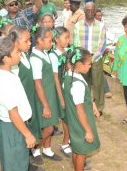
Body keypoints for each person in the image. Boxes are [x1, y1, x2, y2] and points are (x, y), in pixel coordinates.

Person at [0, 35, 36, 171]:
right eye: (16, 52)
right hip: (14, 128)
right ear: (5, 58)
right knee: (15, 164)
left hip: (16, 126)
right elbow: (13, 113)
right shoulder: (5, 81)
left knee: (19, 161)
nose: (20, 53)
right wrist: (28, 134)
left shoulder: (9, 72)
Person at [9, 26, 44, 171]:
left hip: (30, 100)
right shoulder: (13, 64)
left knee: (30, 130)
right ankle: (22, 164)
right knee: (21, 134)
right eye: (26, 40)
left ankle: (26, 161)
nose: (30, 42)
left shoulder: (24, 55)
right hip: (20, 105)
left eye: (30, 39)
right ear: (15, 42)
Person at [62, 47, 101, 171]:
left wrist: (93, 105)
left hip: (73, 119)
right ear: (79, 64)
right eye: (89, 64)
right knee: (81, 153)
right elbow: (80, 110)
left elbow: (81, 97)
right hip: (81, 123)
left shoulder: (70, 75)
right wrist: (88, 131)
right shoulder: (77, 84)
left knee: (77, 149)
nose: (90, 66)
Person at [30, 26, 62, 164]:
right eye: (49, 40)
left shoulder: (45, 53)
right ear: (39, 40)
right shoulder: (36, 58)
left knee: (51, 123)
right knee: (47, 127)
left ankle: (47, 149)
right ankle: (35, 149)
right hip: (43, 98)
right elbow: (37, 83)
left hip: (50, 94)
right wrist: (45, 106)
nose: (52, 42)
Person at [73, 2, 106, 116]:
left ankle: (99, 107)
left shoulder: (101, 25)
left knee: (98, 84)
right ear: (84, 10)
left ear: (95, 10)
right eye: (88, 10)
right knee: (83, 83)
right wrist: (84, 58)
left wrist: (93, 58)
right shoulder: (78, 25)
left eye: (92, 10)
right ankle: (86, 105)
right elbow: (76, 43)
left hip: (96, 59)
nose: (90, 12)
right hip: (82, 59)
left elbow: (102, 44)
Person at [49, 26, 72, 157]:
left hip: (69, 89)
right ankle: (65, 143)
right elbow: (56, 78)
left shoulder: (68, 51)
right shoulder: (53, 55)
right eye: (65, 38)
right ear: (56, 39)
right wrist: (61, 97)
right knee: (66, 118)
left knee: (70, 117)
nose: (68, 40)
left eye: (69, 38)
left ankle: (68, 140)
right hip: (61, 90)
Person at [94, 9, 114, 98]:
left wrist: (105, 48)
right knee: (98, 70)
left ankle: (106, 89)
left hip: (100, 50)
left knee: (100, 69)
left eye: (100, 15)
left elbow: (103, 39)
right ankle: (105, 89)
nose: (99, 17)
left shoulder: (102, 25)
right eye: (97, 15)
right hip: (94, 51)